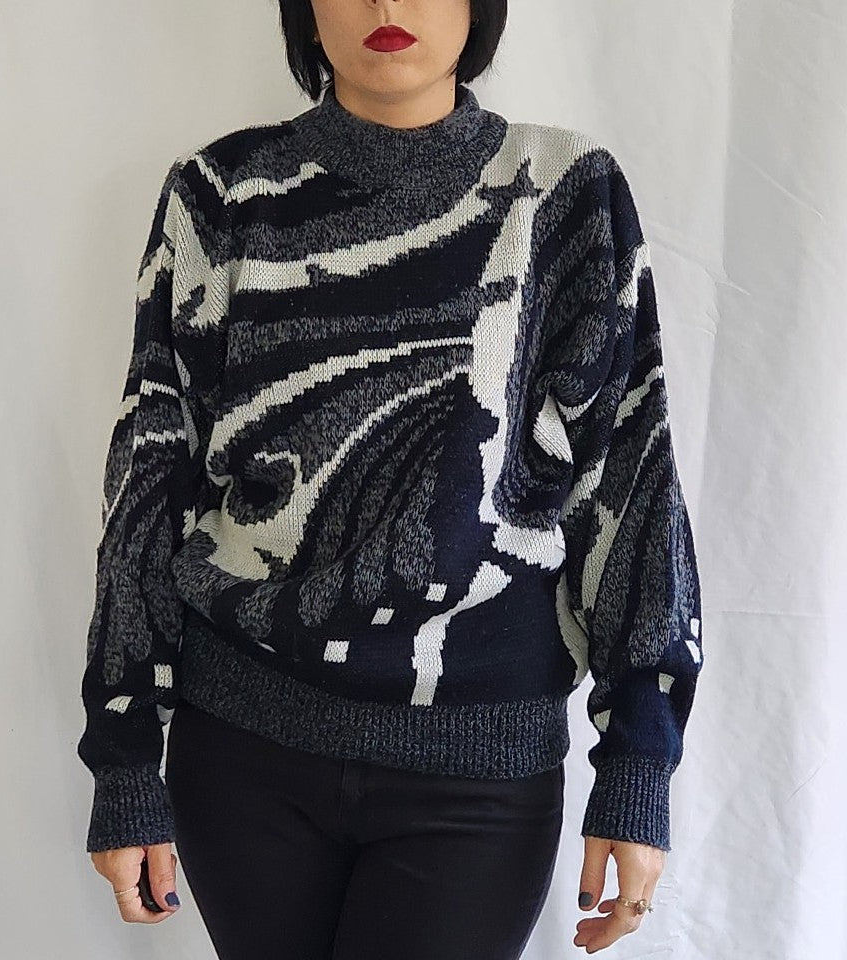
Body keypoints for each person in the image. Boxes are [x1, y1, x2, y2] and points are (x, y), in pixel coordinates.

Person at [76, 1, 705, 957]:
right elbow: (150, 473)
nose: (385, 3)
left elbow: (630, 475)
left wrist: (639, 764)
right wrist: (123, 757)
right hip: (242, 754)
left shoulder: (566, 193)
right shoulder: (221, 192)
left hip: (477, 772)